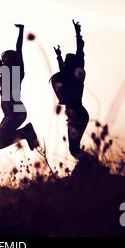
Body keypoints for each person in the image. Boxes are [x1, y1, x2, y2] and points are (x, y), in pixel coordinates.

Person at [0, 24, 40, 150]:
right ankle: (26, 132)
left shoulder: (17, 70)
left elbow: (18, 48)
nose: (3, 61)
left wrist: (21, 31)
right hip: (10, 112)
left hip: (15, 110)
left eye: (5, 59)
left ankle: (27, 132)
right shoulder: (5, 72)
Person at [50, 19, 89, 159]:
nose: (65, 64)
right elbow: (62, 68)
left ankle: (93, 165)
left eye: (67, 62)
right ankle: (91, 165)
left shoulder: (77, 75)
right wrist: (59, 56)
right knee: (74, 149)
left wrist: (78, 32)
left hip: (77, 113)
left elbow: (80, 51)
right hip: (75, 114)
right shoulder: (67, 77)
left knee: (74, 149)